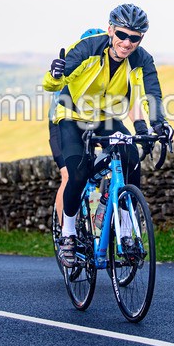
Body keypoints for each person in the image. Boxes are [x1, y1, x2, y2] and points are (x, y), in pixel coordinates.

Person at [43, 4, 174, 267]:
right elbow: (54, 83)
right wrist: (55, 74)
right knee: (77, 173)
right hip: (73, 116)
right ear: (111, 30)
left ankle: (123, 227)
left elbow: (152, 94)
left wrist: (159, 125)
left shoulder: (142, 59)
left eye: (134, 38)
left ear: (141, 39)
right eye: (122, 35)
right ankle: (68, 233)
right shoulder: (89, 48)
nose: (127, 43)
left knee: (131, 158)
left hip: (106, 117)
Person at [49, 28, 106, 226]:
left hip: (90, 123)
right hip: (62, 124)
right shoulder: (74, 70)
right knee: (68, 175)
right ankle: (65, 230)